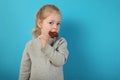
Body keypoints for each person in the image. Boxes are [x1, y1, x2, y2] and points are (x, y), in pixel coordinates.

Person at [19, 4, 69, 80]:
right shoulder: (30, 45)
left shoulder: (61, 42)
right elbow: (25, 70)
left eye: (58, 23)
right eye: (51, 23)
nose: (55, 27)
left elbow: (60, 61)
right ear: (40, 23)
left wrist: (45, 45)